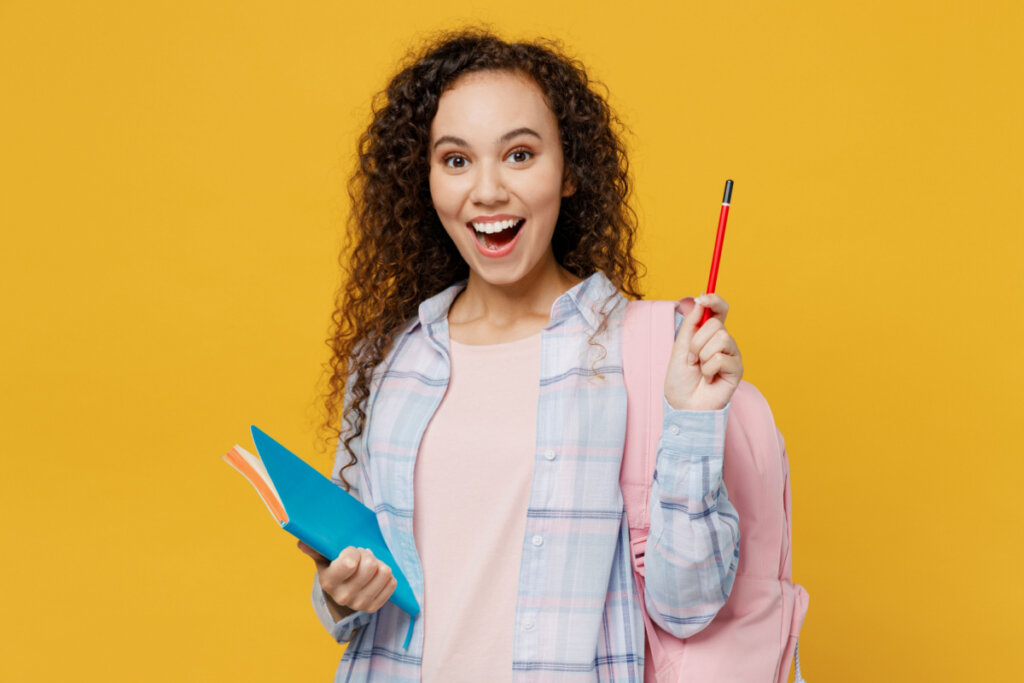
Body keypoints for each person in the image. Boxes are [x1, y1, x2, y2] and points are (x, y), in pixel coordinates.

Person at [297, 28, 743, 682]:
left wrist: (693, 421)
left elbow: (690, 606)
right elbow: (353, 597)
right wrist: (340, 590)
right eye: (455, 160)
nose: (486, 191)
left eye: (520, 155)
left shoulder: (641, 349)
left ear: (569, 173)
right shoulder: (390, 357)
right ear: (425, 182)